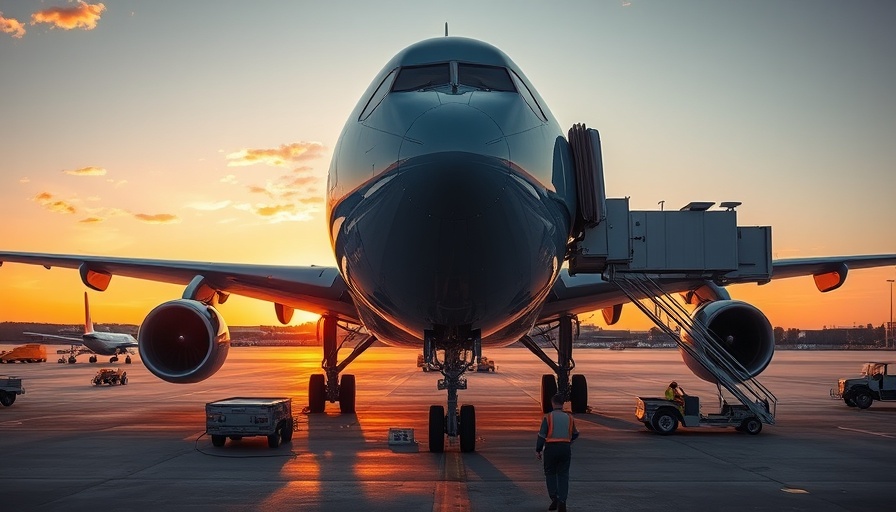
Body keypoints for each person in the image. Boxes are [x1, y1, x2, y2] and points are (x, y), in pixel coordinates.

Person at [535, 393, 579, 512]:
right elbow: (575, 433)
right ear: (563, 404)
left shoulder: (548, 417)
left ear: (552, 403)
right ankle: (562, 501)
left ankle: (554, 497)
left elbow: (542, 435)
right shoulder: (570, 417)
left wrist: (538, 449)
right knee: (563, 475)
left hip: (551, 448)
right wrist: (569, 442)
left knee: (550, 473)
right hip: (565, 448)